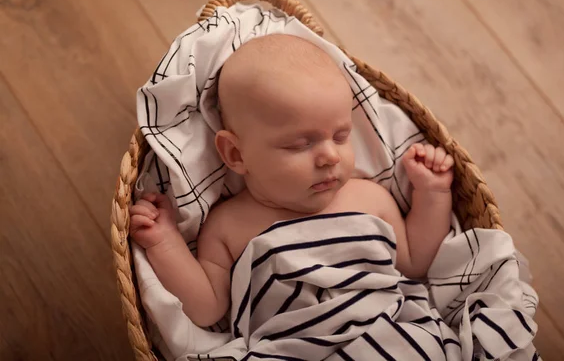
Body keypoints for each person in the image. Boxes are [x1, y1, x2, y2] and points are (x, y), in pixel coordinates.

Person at [129, 34, 454, 328]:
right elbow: (206, 309)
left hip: (388, 330)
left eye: (341, 136)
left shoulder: (369, 198)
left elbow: (415, 263)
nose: (331, 156)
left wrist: (432, 192)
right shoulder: (228, 225)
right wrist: (165, 242)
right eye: (300, 144)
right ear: (236, 155)